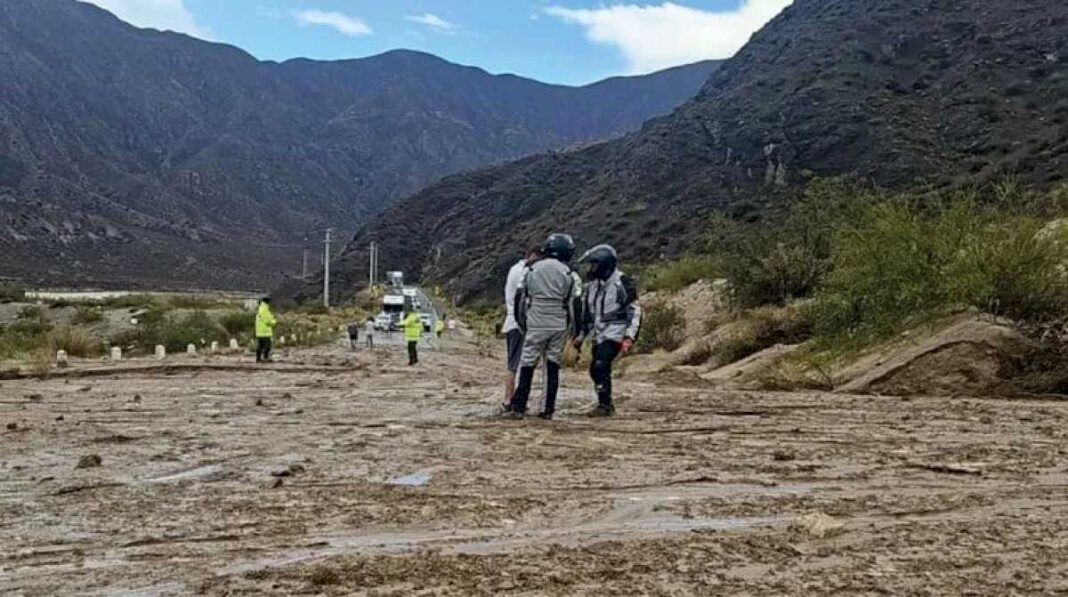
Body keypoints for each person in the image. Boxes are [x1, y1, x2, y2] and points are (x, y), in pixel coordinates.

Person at [505, 235, 581, 420]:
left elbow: (520, 299)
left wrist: (522, 323)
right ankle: (547, 409)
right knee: (552, 366)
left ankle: (519, 407)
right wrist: (575, 330)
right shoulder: (571, 274)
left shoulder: (531, 270)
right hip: (559, 325)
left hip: (535, 323)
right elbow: (576, 303)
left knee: (527, 363)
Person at [574, 245, 642, 417]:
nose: (591, 269)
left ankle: (604, 406)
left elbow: (634, 311)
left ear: (604, 264)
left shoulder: (622, 282)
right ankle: (605, 402)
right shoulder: (592, 287)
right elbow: (588, 315)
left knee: (600, 365)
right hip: (599, 334)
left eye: (594, 265)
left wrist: (629, 337)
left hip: (615, 333)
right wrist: (582, 335)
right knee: (595, 369)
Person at [501, 247, 542, 409]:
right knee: (516, 364)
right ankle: (509, 399)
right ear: (532, 256)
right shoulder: (522, 272)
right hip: (518, 323)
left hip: (514, 322)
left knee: (515, 363)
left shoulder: (515, 270)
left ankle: (510, 398)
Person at [254, 297, 277, 363]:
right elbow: (267, 320)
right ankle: (265, 357)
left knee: (260, 345)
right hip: (265, 331)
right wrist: (274, 322)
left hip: (259, 331)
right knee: (268, 345)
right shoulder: (264, 309)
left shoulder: (260, 308)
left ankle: (258, 358)